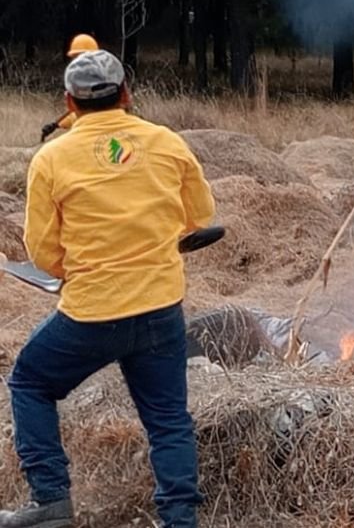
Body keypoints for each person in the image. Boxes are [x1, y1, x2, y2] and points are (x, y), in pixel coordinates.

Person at [2, 49, 215, 528]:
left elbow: (40, 251)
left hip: (90, 314)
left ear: (68, 103)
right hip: (161, 307)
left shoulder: (51, 158)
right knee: (168, 419)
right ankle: (180, 519)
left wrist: (72, 270)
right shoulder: (166, 143)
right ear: (126, 94)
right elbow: (200, 216)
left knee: (30, 383)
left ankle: (51, 500)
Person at [39, 34, 100, 143]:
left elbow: (87, 113)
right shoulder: (82, 79)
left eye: (78, 57)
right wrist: (57, 124)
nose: (76, 61)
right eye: (75, 58)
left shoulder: (98, 80)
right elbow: (78, 112)